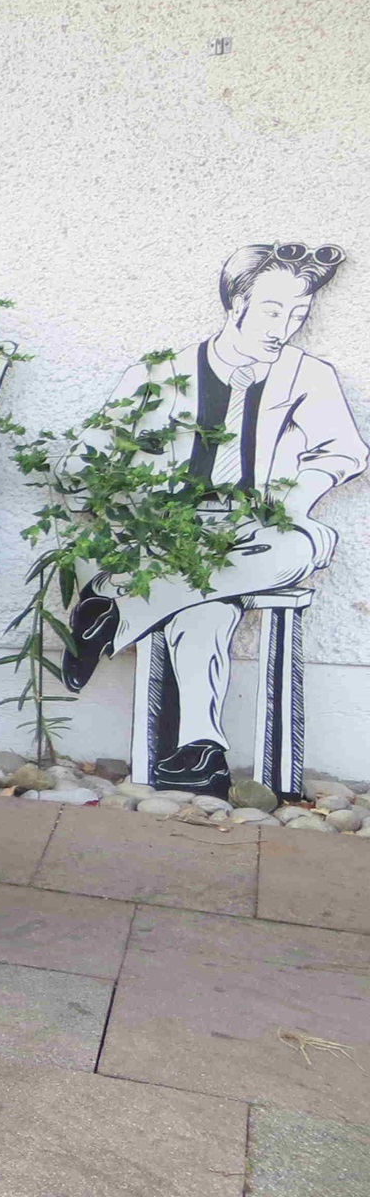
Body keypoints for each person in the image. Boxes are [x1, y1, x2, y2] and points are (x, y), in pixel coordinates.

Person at [62, 242, 363, 796]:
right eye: (273, 310)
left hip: (259, 530)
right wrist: (128, 492)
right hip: (172, 533)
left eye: (298, 314)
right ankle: (200, 749)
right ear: (237, 303)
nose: (285, 327)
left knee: (304, 546)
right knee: (204, 606)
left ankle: (113, 612)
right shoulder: (161, 372)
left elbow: (345, 452)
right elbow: (84, 461)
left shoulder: (308, 374)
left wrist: (296, 499)